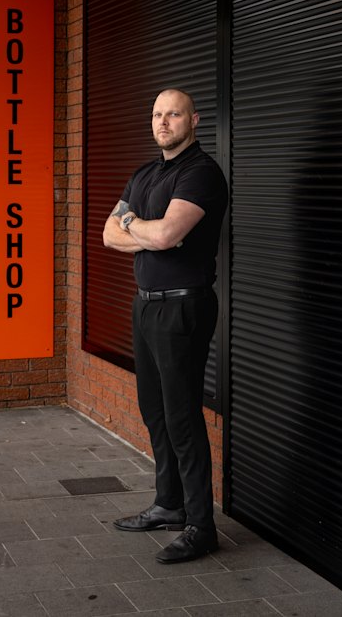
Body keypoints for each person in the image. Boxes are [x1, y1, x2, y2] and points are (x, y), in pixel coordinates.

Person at [102, 88, 228, 563]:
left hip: (183, 307)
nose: (162, 121)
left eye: (172, 114)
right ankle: (169, 504)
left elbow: (169, 234)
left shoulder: (201, 173)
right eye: (156, 114)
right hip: (145, 305)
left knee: (181, 417)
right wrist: (143, 230)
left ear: (192, 119)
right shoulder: (145, 173)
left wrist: (137, 226)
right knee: (155, 412)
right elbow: (108, 234)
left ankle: (201, 525)